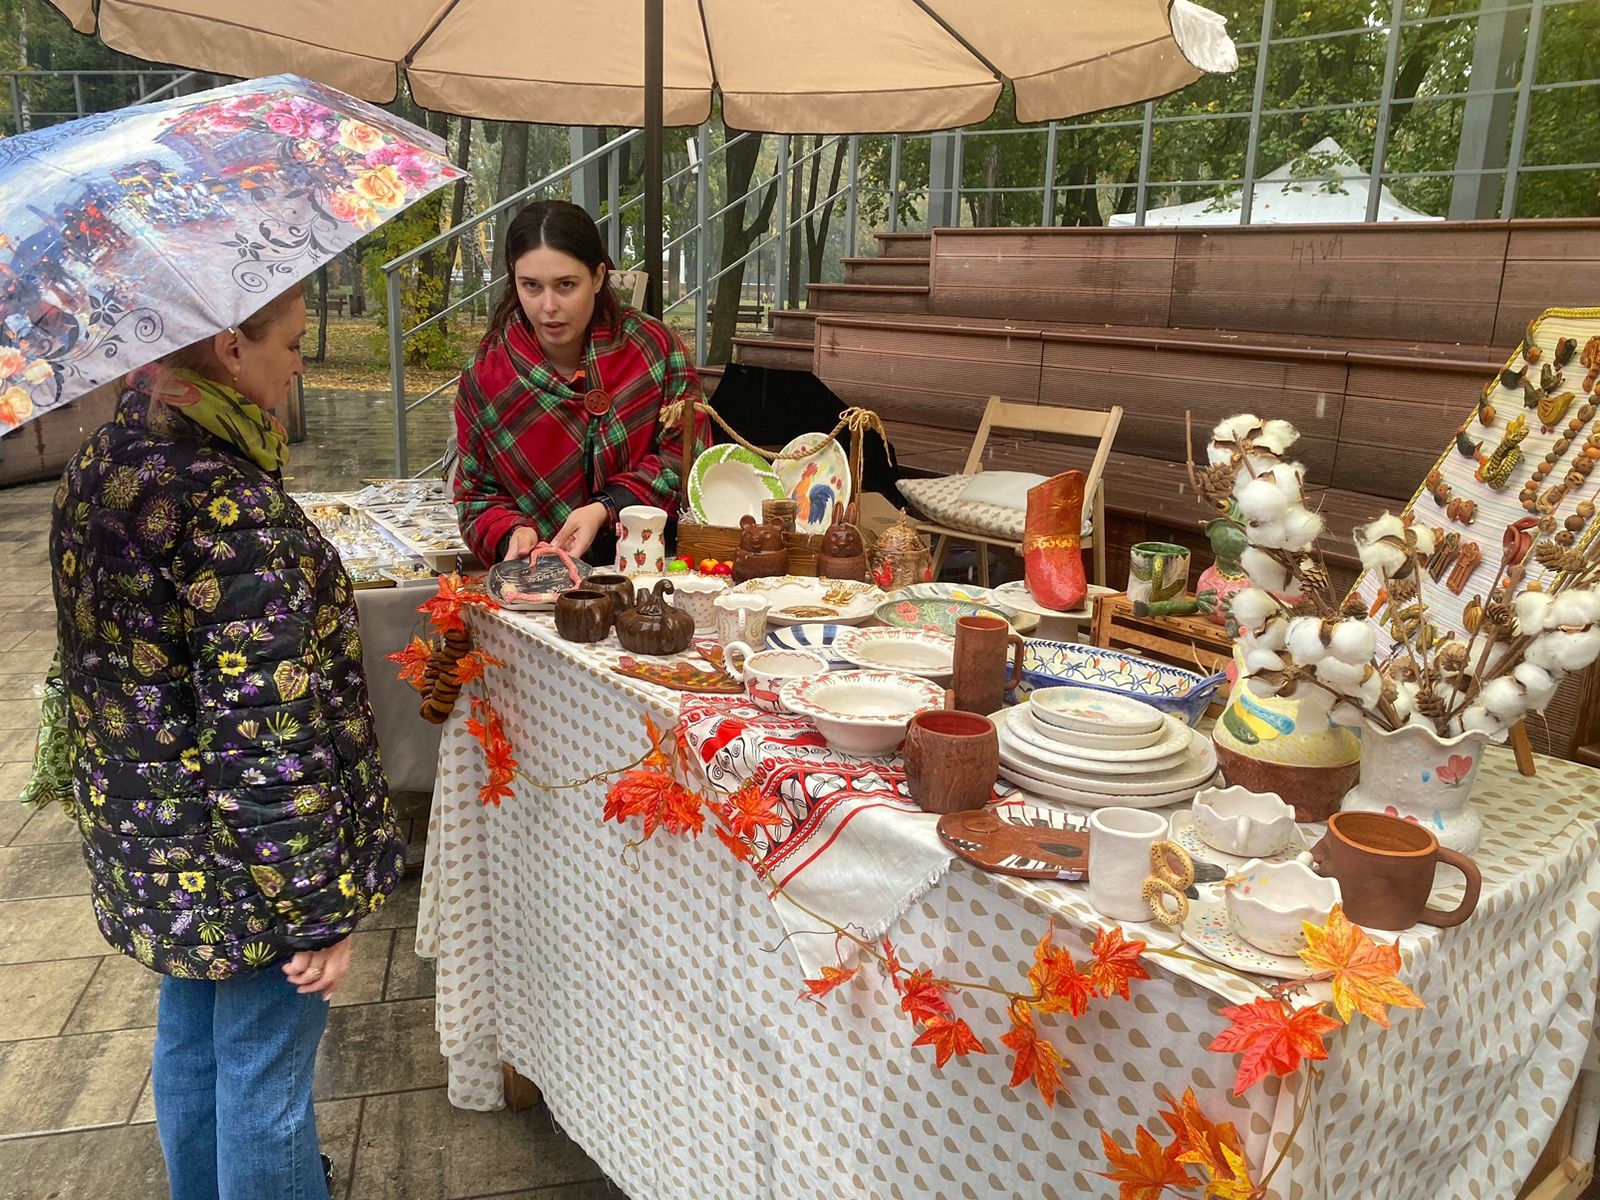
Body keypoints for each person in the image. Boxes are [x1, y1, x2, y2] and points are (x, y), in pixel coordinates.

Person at [45, 284, 405, 1200]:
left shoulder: (108, 457)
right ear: (230, 347)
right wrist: (317, 911)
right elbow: (265, 740)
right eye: (292, 342)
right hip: (244, 866)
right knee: (263, 1076)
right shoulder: (225, 503)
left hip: (159, 841)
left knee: (192, 1043)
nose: (300, 364)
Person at [453, 199, 703, 565]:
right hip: (540, 577)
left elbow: (687, 461)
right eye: (531, 286)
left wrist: (607, 507)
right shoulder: (487, 376)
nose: (548, 306)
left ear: (598, 277)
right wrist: (512, 532)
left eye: (566, 285)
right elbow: (477, 497)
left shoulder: (654, 348)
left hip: (651, 572)